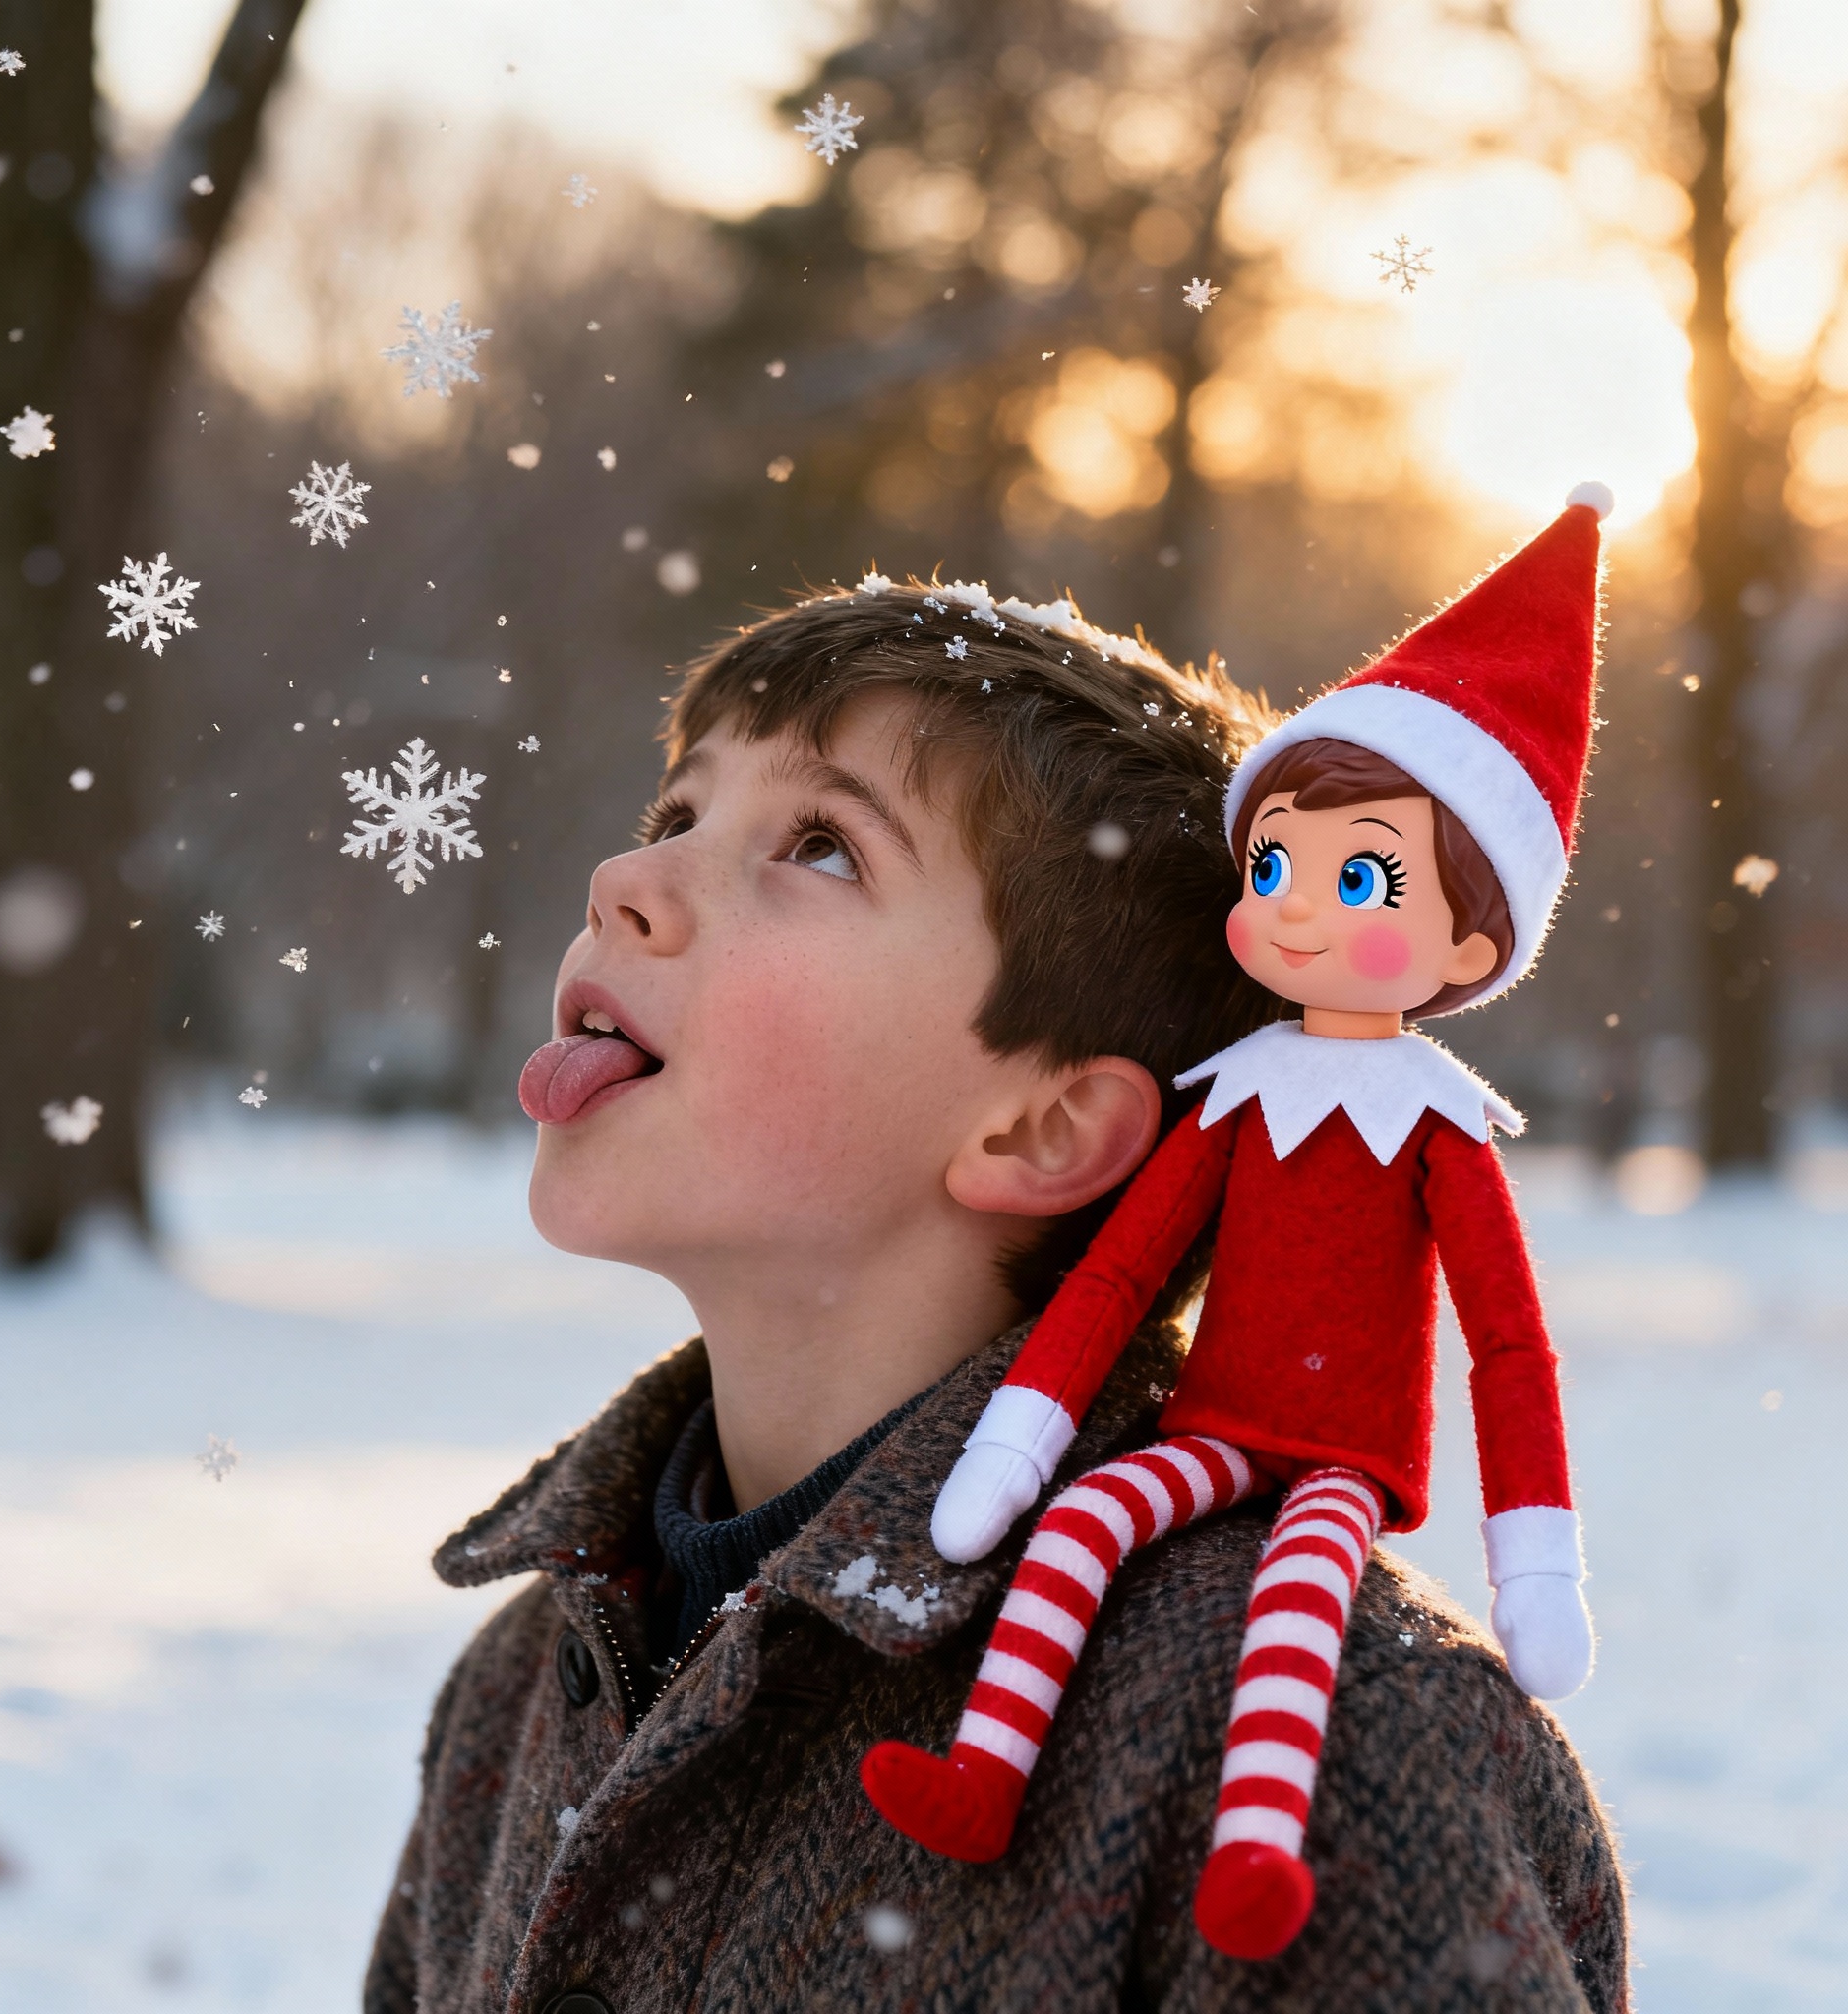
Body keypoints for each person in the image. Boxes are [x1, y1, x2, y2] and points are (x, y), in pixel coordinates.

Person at [364, 575, 1627, 2014]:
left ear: (1039, 1130)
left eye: (822, 848)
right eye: (677, 817)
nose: (628, 884)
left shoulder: (1317, 1740)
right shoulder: (526, 1681)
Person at [861, 490, 1611, 1966]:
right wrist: (1025, 1436)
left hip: (1346, 1455)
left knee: (1299, 1601)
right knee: (1085, 1517)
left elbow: (1508, 1346)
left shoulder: (1442, 1137)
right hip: (1218, 1416)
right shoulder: (1233, 1099)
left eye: (1363, 877)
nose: (1303, 909)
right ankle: (982, 1775)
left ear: (1472, 945)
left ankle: (1255, 1853)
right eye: (1274, 867)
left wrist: (1534, 1559)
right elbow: (1131, 1269)